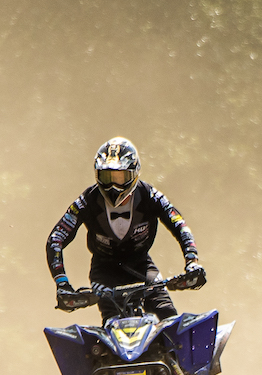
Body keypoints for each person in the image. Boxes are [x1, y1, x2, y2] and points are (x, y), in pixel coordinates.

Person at [47, 137, 205, 322]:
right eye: (107, 177)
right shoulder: (87, 200)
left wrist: (192, 262)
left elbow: (180, 225)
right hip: (105, 272)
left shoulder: (150, 195)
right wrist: (62, 283)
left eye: (120, 178)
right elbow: (56, 238)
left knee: (168, 317)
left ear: (134, 174)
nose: (113, 187)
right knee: (112, 325)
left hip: (142, 266)